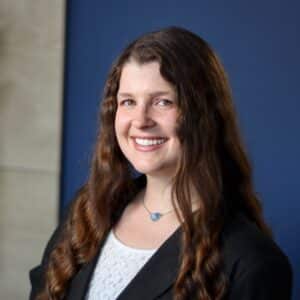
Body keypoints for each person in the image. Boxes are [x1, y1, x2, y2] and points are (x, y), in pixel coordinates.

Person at [29, 26, 293, 300]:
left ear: (206, 114)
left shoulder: (250, 262)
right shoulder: (87, 212)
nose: (141, 120)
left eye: (163, 102)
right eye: (128, 101)